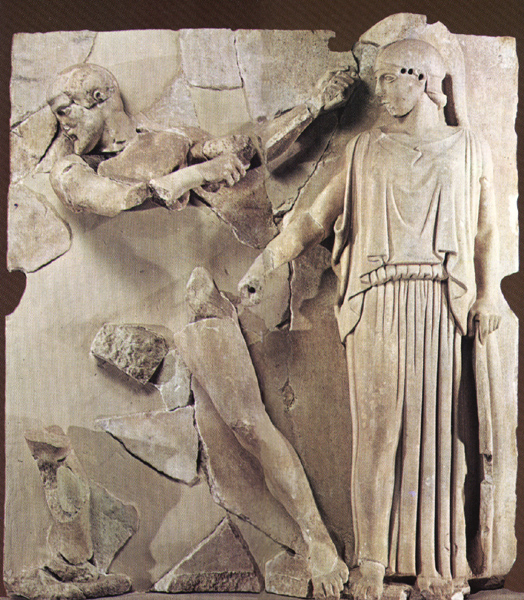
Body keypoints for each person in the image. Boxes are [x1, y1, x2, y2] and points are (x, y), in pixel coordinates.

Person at [239, 39, 501, 600]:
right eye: (377, 79)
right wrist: (267, 261)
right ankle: (372, 563)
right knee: (377, 433)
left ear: (422, 78)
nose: (379, 91)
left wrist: (487, 295)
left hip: (441, 301)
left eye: (388, 78)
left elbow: (485, 230)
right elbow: (315, 216)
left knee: (437, 436)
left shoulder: (468, 147)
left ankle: (436, 562)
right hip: (377, 299)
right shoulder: (364, 150)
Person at [46, 63, 354, 218]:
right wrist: (199, 173)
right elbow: (120, 197)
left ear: (97, 96)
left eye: (63, 111)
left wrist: (313, 107)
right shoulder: (69, 169)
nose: (63, 126)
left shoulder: (170, 138)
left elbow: (250, 151)